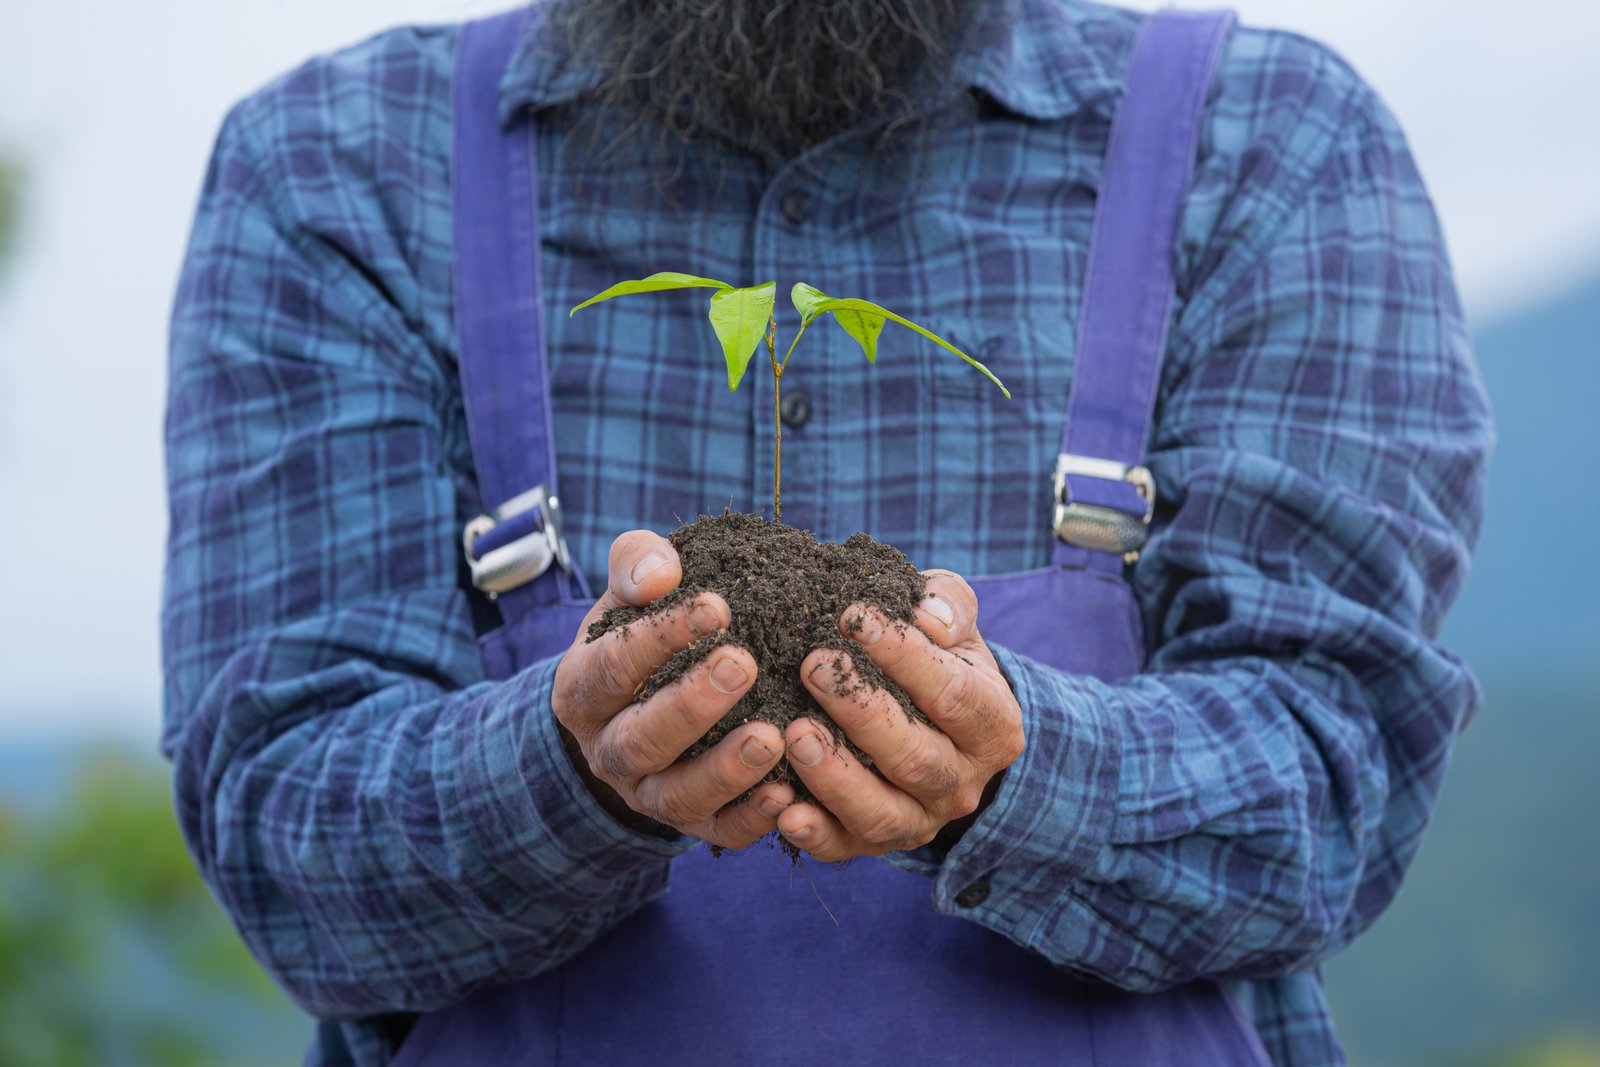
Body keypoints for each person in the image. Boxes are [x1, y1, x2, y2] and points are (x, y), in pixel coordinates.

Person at [160, 0, 1492, 1064]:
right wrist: (565, 765)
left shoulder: (1261, 139)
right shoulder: (341, 171)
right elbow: (283, 828)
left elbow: (1341, 775)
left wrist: (1026, 770)